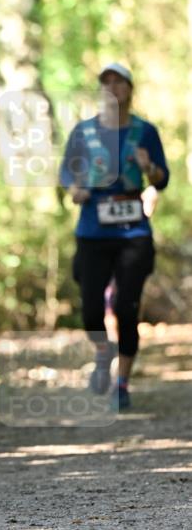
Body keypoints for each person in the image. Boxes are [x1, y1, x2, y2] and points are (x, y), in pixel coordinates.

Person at [60, 63, 169, 410]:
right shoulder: (84, 132)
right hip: (93, 230)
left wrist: (149, 167)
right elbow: (66, 173)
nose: (112, 88)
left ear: (129, 89)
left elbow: (162, 179)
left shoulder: (145, 131)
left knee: (127, 307)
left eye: (118, 82)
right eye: (105, 83)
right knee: (92, 311)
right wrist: (75, 190)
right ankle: (103, 351)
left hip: (133, 232)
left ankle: (121, 383)